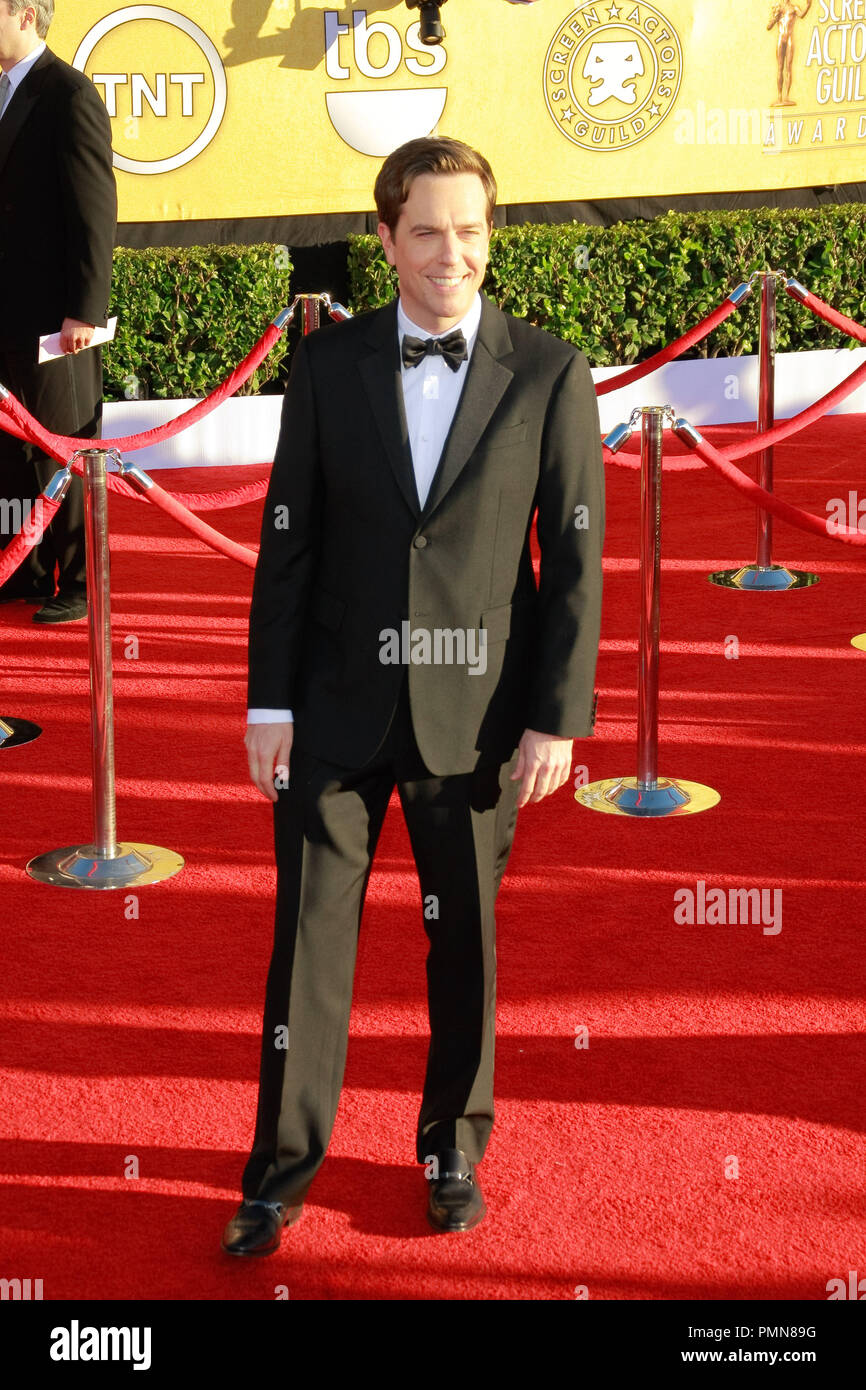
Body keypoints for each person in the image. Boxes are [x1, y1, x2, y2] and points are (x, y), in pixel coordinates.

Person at [222, 135, 604, 1256]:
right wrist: (267, 704)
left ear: (492, 236)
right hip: (335, 704)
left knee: (465, 947)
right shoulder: (328, 368)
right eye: (427, 230)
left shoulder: (548, 372)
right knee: (306, 949)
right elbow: (285, 543)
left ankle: (451, 1151)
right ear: (385, 238)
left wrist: (556, 715)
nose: (452, 254)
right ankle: (278, 1173)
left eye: (470, 230)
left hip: (478, 717)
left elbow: (574, 562)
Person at [0, 0, 116, 623]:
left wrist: (84, 313)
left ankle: (80, 583)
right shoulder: (2, 90)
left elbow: (93, 212)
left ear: (24, 13)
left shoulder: (68, 93)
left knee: (63, 446)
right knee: (9, 450)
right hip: (7, 312)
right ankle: (27, 567)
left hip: (54, 317)